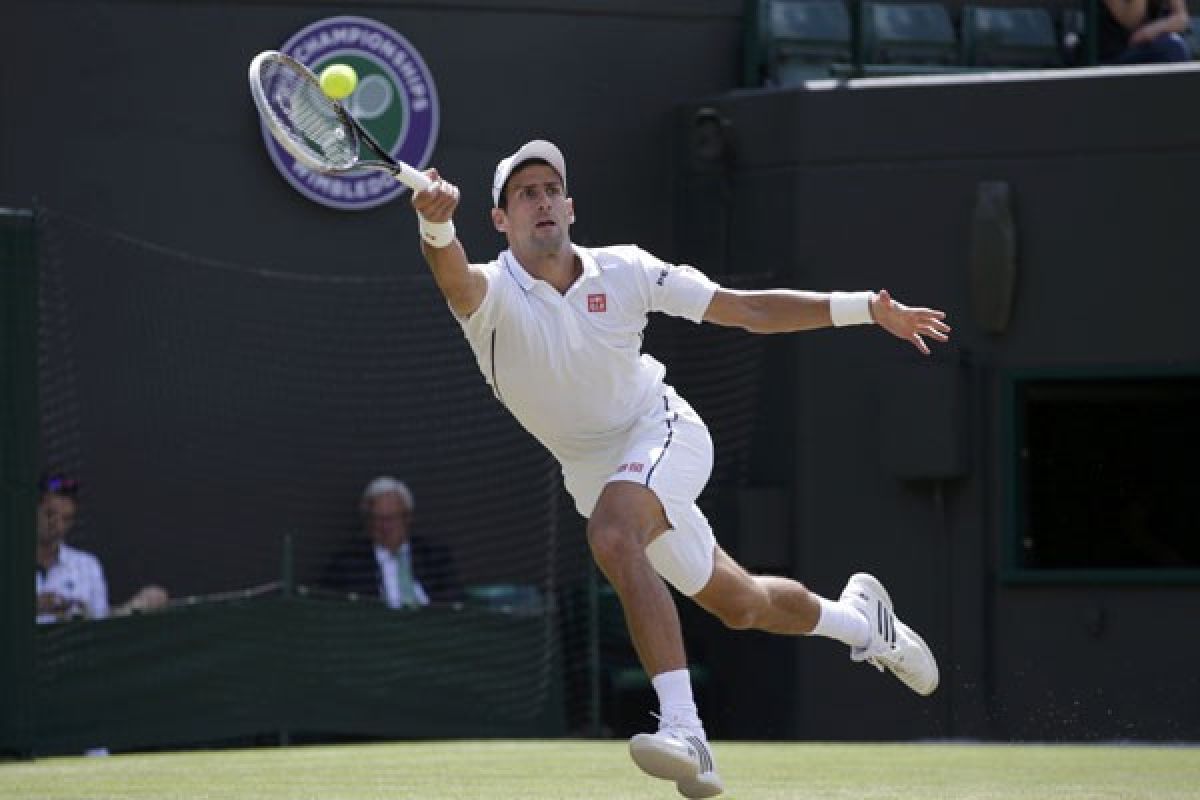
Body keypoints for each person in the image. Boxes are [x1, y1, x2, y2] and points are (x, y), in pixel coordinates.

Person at [410, 140, 950, 798]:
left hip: (663, 433)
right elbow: (452, 277)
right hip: (595, 473)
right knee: (742, 604)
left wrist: (864, 306)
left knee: (613, 534)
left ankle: (686, 729)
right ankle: (864, 623)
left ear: (572, 206)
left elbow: (746, 308)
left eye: (552, 188)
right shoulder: (490, 296)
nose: (542, 200)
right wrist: (435, 222)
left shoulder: (628, 271)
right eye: (525, 193)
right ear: (501, 221)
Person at [35, 473, 169, 625]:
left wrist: (134, 607)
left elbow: (100, 626)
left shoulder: (87, 566)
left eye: (66, 519)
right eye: (49, 515)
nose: (58, 526)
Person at [322, 476, 462, 607]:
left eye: (392, 518)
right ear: (368, 521)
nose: (385, 526)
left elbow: (455, 601)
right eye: (377, 518)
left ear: (407, 518)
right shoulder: (349, 564)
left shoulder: (434, 557)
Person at [1098, 0, 1192, 64]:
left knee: (1174, 46)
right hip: (1115, 55)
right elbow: (1132, 22)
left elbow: (1181, 18)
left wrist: (1150, 31)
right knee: (1171, 48)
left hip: (1153, 45)